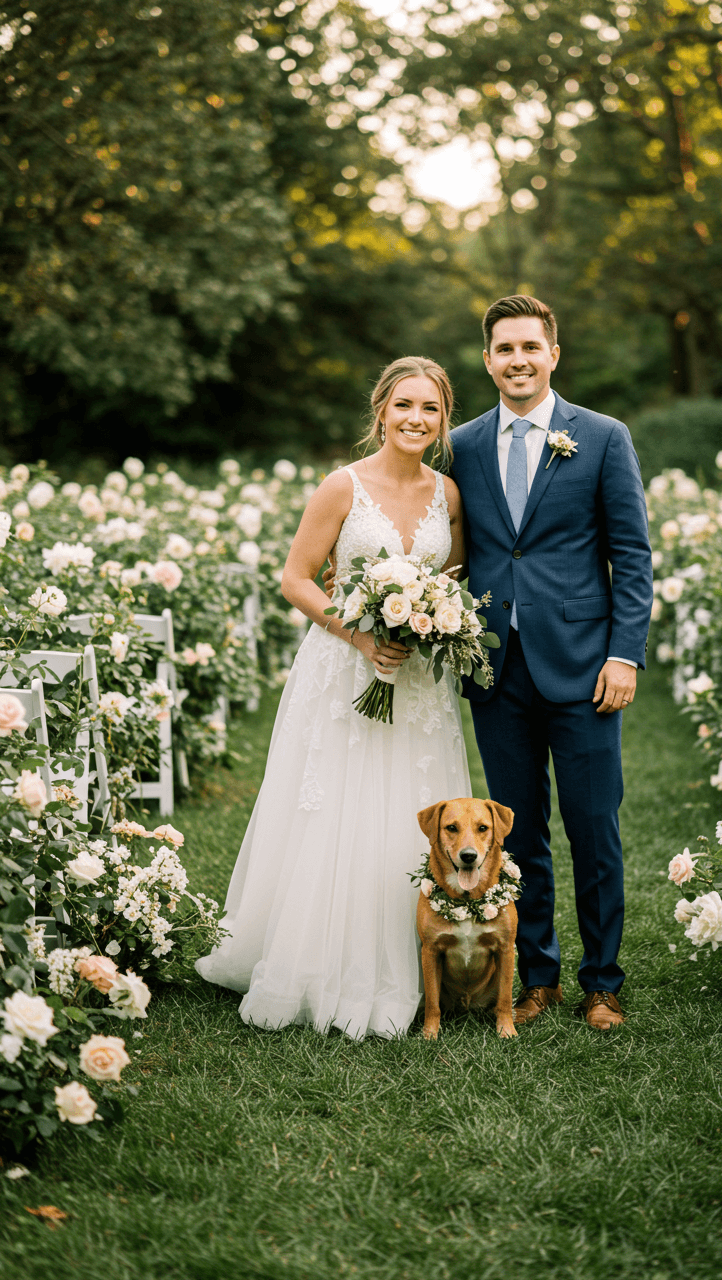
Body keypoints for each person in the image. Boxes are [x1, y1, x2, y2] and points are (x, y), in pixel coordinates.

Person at [195, 357, 471, 1039]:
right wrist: (359, 634)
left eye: (430, 409)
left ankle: (413, 956)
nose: (416, 419)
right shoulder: (341, 486)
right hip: (344, 670)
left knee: (409, 803)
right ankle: (315, 961)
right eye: (404, 405)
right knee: (336, 807)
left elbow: (456, 577)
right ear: (381, 411)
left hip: (415, 678)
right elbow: (297, 579)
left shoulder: (450, 494)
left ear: (443, 420)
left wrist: (435, 617)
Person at [449, 295, 653, 1030]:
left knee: (593, 826)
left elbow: (630, 556)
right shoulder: (463, 444)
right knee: (515, 833)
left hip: (585, 666)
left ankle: (602, 981)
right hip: (495, 670)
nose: (518, 361)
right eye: (504, 349)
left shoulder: (600, 437)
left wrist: (624, 653)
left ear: (553, 354)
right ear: (488, 360)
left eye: (530, 347)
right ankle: (539, 976)